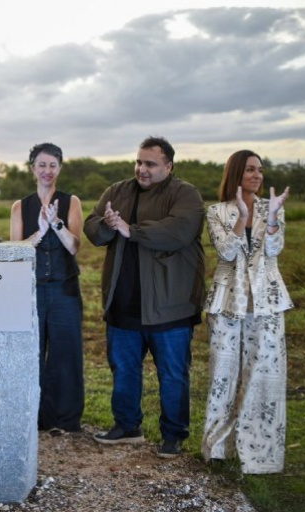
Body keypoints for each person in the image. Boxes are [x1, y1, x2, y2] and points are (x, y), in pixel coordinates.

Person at [83, 136, 205, 458]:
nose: (142, 169)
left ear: (168, 166)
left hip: (170, 305)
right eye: (139, 162)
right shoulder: (117, 190)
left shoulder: (185, 194)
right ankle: (127, 426)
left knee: (173, 373)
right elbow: (92, 227)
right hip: (123, 302)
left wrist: (131, 230)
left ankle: (173, 434)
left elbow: (179, 230)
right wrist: (109, 226)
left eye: (150, 163)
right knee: (123, 368)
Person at [201, 150, 292, 474]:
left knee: (262, 376)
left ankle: (259, 456)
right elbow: (225, 251)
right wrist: (242, 216)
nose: (258, 175)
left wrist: (269, 220)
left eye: (261, 170)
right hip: (227, 303)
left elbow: (274, 250)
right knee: (223, 377)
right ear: (237, 173)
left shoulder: (273, 209)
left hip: (267, 303)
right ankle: (219, 451)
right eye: (251, 169)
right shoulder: (216, 211)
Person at [10, 142, 84, 435]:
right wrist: (39, 231)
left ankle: (66, 420)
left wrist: (56, 224)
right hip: (32, 290)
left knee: (67, 352)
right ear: (32, 168)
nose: (47, 171)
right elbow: (16, 251)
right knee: (32, 353)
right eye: (41, 165)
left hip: (65, 289)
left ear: (60, 168)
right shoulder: (20, 206)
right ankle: (36, 418)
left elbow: (75, 246)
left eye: (53, 165)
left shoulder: (71, 202)